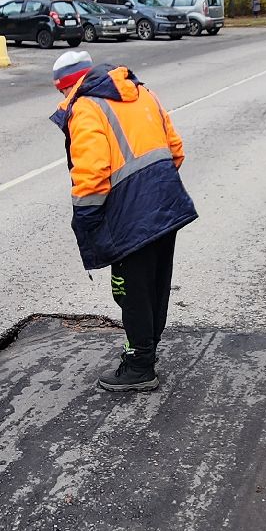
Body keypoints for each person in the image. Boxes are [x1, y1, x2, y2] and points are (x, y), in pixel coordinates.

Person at [49, 49, 197, 392]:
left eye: (61, 90)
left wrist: (87, 219)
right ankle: (147, 349)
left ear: (67, 85)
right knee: (155, 284)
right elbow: (176, 149)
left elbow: (92, 172)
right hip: (165, 202)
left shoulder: (86, 107)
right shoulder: (143, 92)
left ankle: (140, 366)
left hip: (129, 215)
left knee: (130, 290)